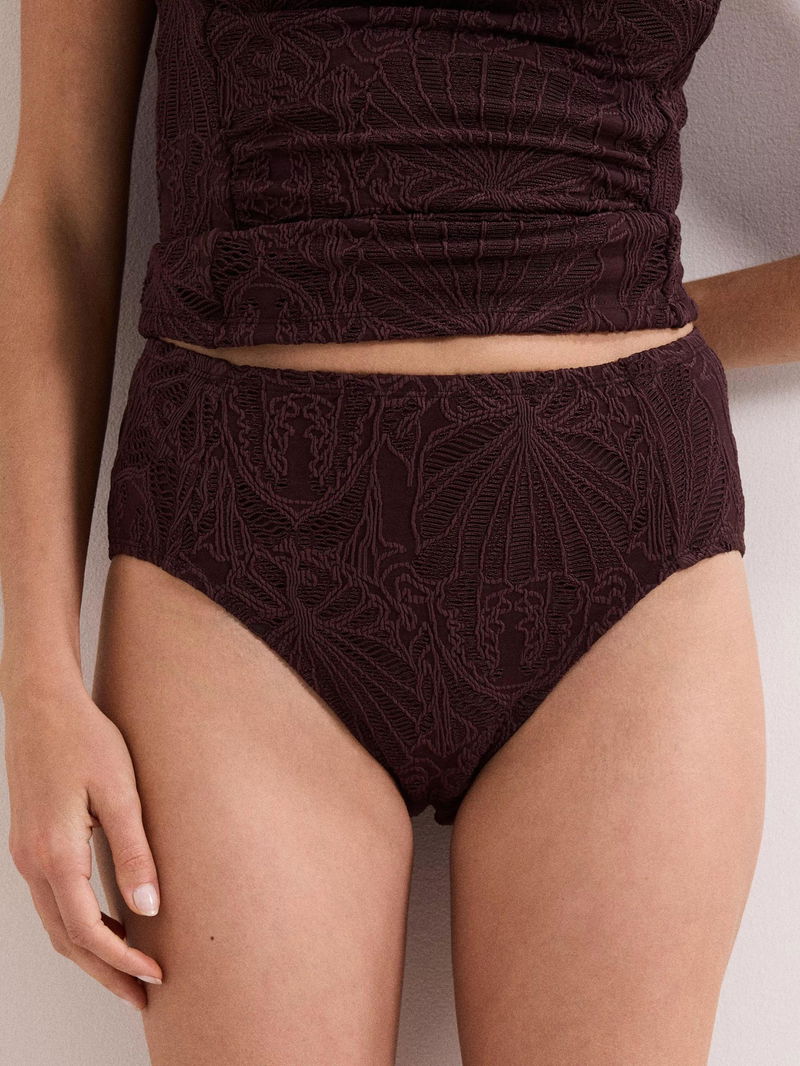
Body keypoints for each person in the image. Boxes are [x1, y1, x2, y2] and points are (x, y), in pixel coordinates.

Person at [1, 0, 792, 1062]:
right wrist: (34, 685)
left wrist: (602, 303)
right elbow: (57, 211)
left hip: (625, 547)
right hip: (238, 550)